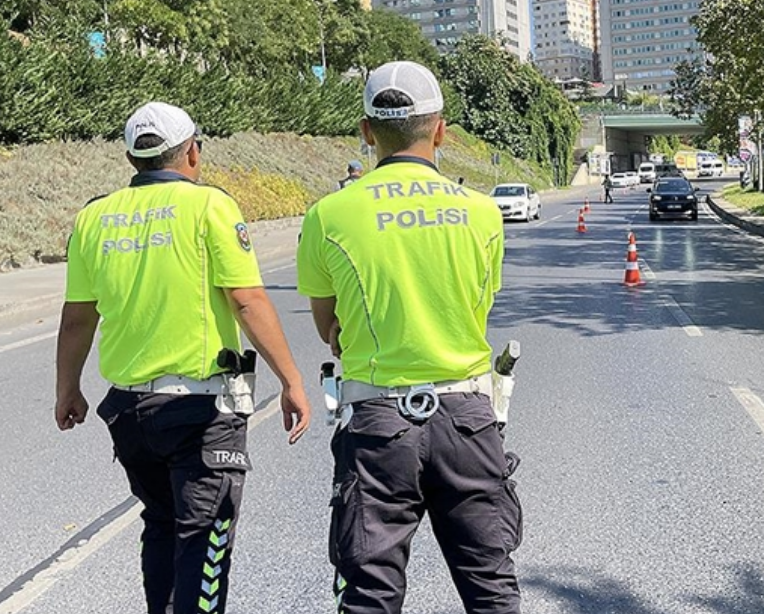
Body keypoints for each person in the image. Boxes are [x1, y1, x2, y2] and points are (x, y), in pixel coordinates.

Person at [55, 102, 311, 614]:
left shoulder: (94, 217)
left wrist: (67, 389)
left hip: (129, 412)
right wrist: (292, 380)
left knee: (162, 526)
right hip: (199, 413)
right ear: (193, 151)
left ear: (132, 158)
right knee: (205, 538)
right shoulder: (209, 206)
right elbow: (247, 300)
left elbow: (78, 317)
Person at [297, 61, 521, 614]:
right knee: (491, 589)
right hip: (467, 419)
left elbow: (330, 328)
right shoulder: (482, 213)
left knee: (370, 595)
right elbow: (478, 304)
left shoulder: (329, 215)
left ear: (367, 131)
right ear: (440, 129)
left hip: (376, 427)